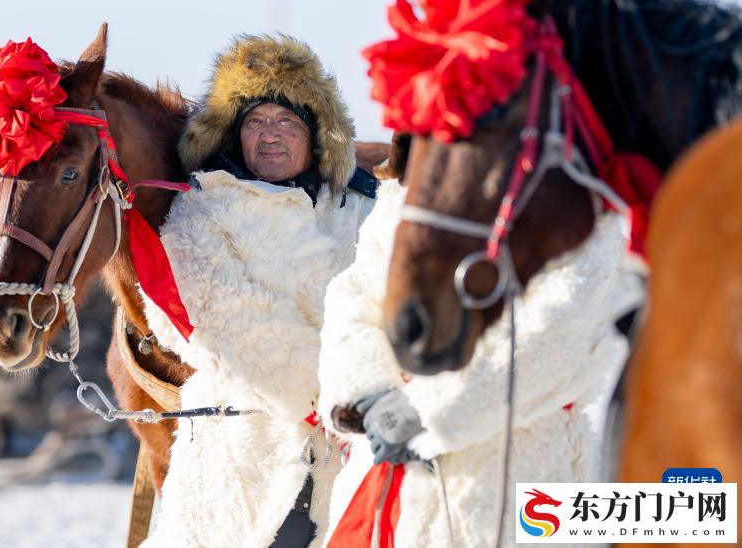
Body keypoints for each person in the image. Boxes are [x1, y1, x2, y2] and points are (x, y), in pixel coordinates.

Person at [138, 34, 377, 548]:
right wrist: (337, 403)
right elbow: (222, 322)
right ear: (234, 135)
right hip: (245, 464)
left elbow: (390, 310)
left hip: (359, 464)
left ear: (317, 136)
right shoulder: (200, 211)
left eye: (287, 122)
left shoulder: (364, 212)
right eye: (255, 122)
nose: (270, 135)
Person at [317, 178, 645, 547]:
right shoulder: (403, 197)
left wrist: (424, 411)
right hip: (385, 478)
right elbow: (355, 297)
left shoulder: (580, 214)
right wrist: (369, 395)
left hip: (515, 484)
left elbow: (555, 334)